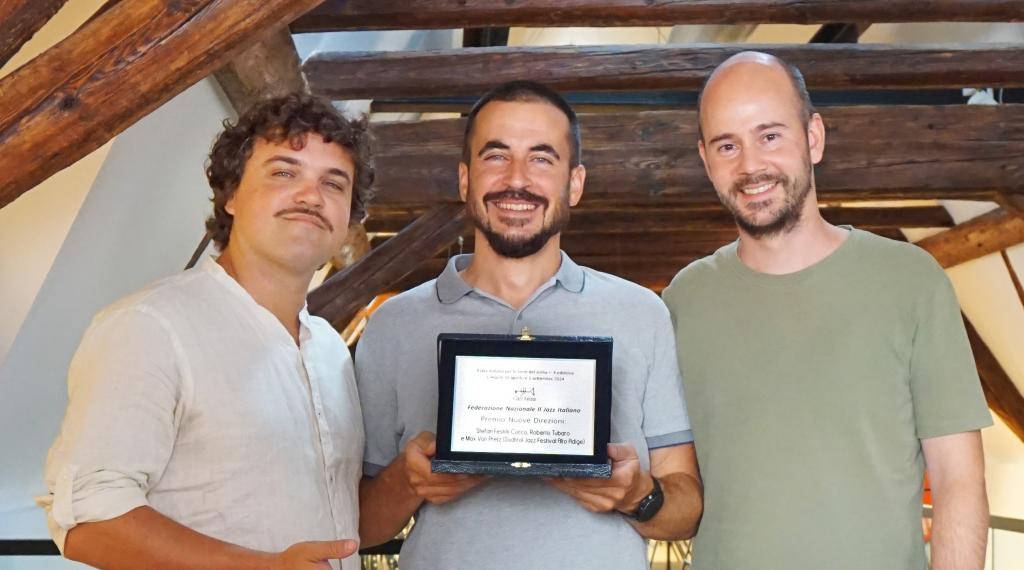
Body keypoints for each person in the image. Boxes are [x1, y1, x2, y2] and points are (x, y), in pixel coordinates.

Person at [662, 51, 991, 570]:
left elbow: (958, 480)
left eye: (770, 136)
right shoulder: (683, 299)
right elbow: (676, 481)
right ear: (706, 160)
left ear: (813, 137)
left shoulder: (910, 280)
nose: (750, 165)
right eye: (728, 145)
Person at [354, 81, 703, 569]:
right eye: (496, 156)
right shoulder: (393, 323)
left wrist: (637, 495)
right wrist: (407, 482)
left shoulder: (642, 313)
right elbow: (359, 527)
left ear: (574, 184)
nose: (516, 179)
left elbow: (686, 510)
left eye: (541, 158)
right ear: (465, 179)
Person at [38, 93, 373, 569]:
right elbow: (87, 519)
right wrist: (260, 567)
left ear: (348, 219)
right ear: (231, 195)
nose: (311, 196)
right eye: (284, 173)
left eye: (334, 184)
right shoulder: (150, 326)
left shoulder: (331, 352)